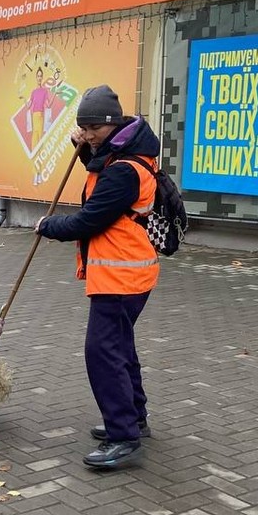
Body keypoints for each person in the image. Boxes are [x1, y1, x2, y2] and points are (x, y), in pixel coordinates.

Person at [35, 85, 161, 470]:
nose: (87, 135)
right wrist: (90, 148)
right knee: (120, 348)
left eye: (93, 128)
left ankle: (123, 436)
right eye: (82, 127)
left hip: (121, 275)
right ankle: (135, 419)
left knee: (101, 353)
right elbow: (99, 164)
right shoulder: (123, 152)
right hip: (123, 272)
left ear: (112, 123)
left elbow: (90, 219)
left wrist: (48, 224)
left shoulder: (125, 170)